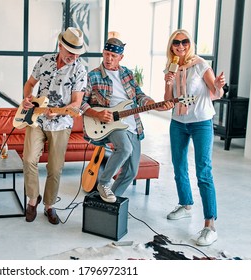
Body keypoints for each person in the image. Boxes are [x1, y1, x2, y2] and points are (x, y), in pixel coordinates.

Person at [81, 37, 173, 203]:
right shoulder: (92, 76)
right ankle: (103, 183)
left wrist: (155, 105)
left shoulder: (128, 74)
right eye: (106, 54)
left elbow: (139, 96)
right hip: (110, 123)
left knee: (131, 171)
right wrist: (97, 114)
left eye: (113, 56)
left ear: (121, 57)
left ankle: (110, 202)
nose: (108, 59)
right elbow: (81, 102)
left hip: (132, 124)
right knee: (124, 148)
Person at [163, 29, 225, 246]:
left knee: (203, 171)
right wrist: (168, 82)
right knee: (179, 166)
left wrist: (218, 85)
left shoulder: (200, 64)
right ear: (171, 46)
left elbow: (216, 92)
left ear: (190, 43)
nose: (181, 46)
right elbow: (167, 101)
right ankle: (185, 204)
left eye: (185, 42)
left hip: (201, 122)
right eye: (176, 43)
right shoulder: (171, 67)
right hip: (178, 123)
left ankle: (210, 225)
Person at [22, 27, 87, 225]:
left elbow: (76, 102)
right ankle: (33, 199)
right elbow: (30, 83)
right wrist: (27, 98)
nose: (73, 56)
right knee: (28, 159)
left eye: (77, 53)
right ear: (60, 46)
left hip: (61, 123)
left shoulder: (79, 69)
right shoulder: (44, 60)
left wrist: (58, 111)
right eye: (70, 52)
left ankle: (49, 205)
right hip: (37, 119)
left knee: (55, 168)